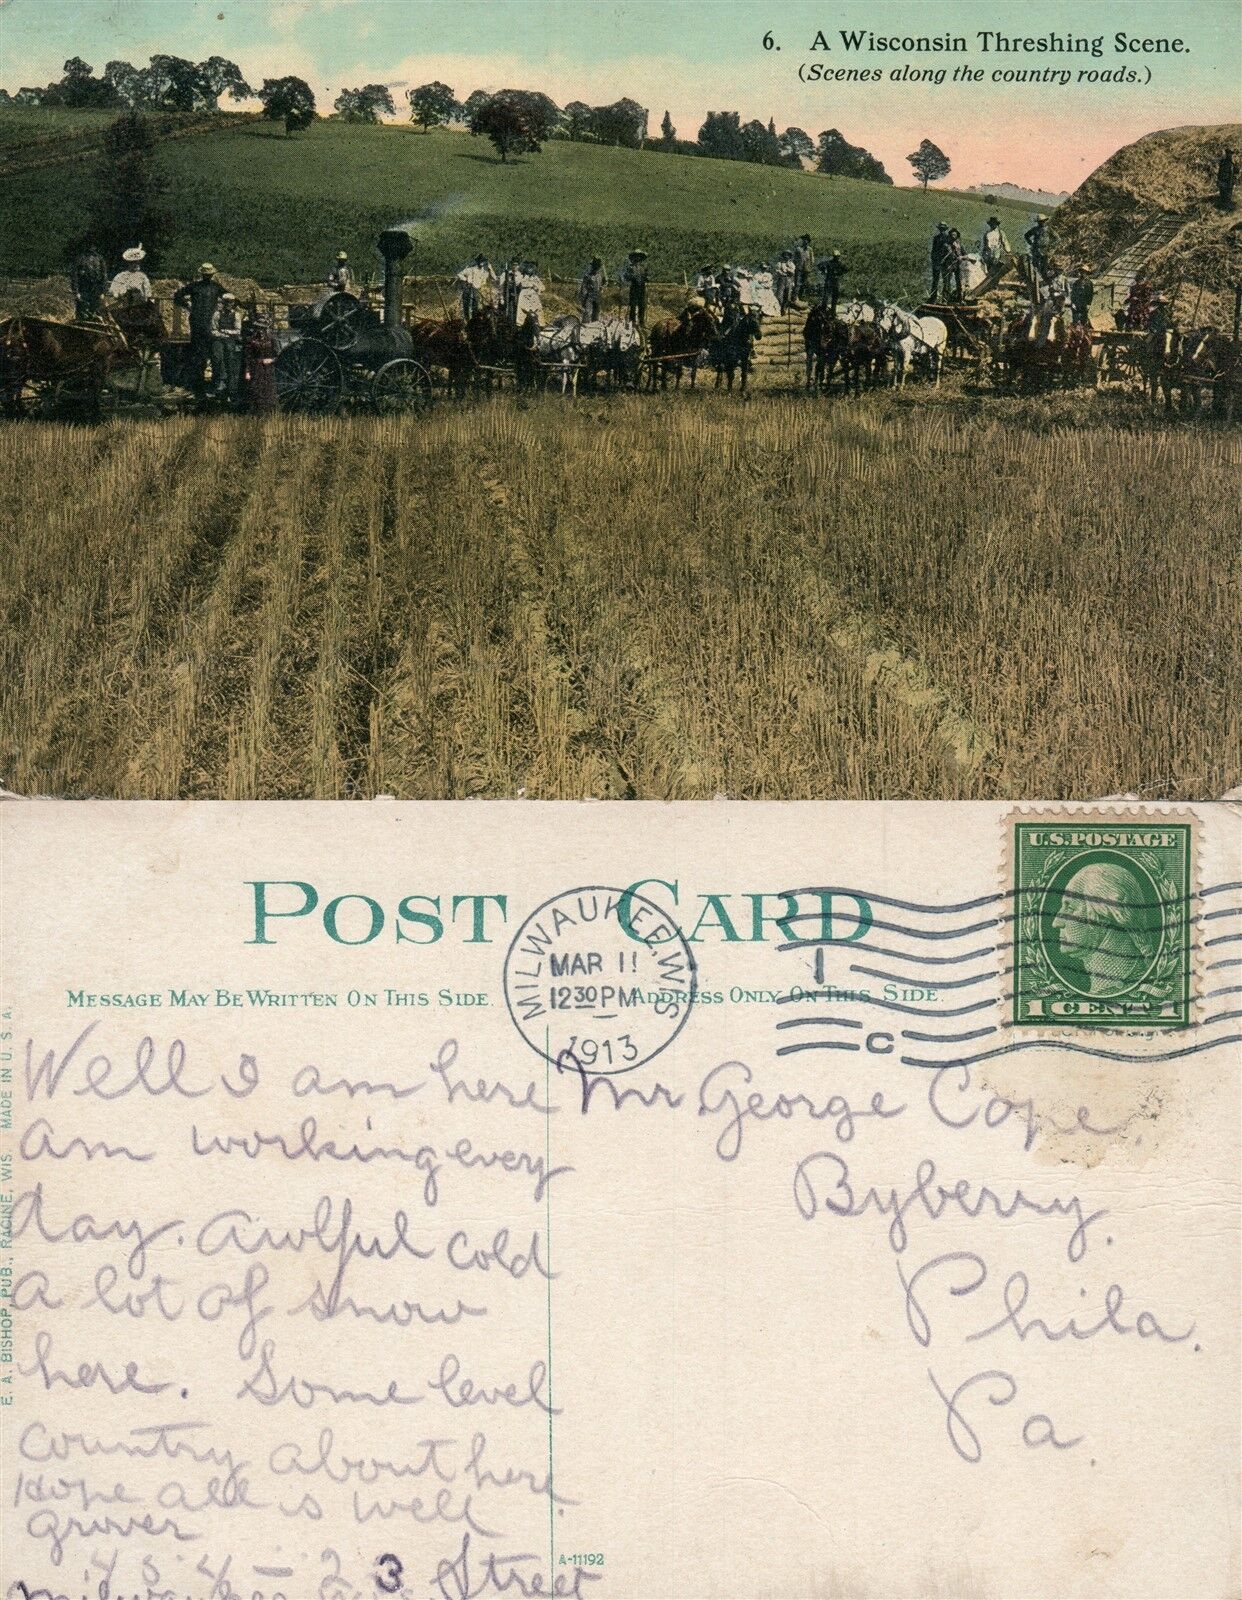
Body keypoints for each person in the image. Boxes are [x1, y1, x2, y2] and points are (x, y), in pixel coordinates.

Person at [174, 262, 225, 403]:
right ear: (209, 274)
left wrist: (187, 305)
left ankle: (199, 387)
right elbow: (229, 296)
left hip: (201, 323)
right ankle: (203, 388)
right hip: (203, 324)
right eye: (207, 274)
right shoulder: (214, 287)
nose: (207, 276)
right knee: (204, 356)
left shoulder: (197, 286)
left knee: (200, 356)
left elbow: (177, 295)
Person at [210, 291, 244, 403]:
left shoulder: (236, 315)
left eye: (231, 303)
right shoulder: (217, 314)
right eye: (227, 302)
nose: (229, 305)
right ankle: (220, 380)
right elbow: (213, 329)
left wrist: (226, 332)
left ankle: (231, 388)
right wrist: (220, 334)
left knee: (230, 356)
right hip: (219, 338)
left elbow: (237, 331)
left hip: (230, 339)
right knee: (217, 355)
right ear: (223, 303)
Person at [243, 309, 278, 414]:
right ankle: (256, 413)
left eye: (263, 328)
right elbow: (248, 357)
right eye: (258, 328)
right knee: (256, 390)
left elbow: (277, 355)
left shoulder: (271, 340)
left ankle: (268, 412)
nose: (261, 331)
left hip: (268, 368)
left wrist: (271, 360)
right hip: (256, 367)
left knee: (268, 390)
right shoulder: (252, 341)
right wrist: (247, 372)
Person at [70, 241, 107, 321]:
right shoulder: (80, 258)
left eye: (93, 245)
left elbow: (104, 277)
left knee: (96, 314)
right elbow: (74, 277)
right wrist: (76, 292)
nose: (92, 247)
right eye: (90, 245)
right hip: (83, 289)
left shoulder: (100, 259)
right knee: (82, 315)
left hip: (96, 290)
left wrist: (103, 292)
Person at [456, 254, 496, 322]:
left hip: (477, 290)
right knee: (467, 306)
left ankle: (474, 321)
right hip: (468, 289)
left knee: (475, 306)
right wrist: (466, 279)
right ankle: (467, 321)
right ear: (477, 262)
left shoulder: (484, 272)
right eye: (480, 261)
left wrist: (490, 268)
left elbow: (494, 278)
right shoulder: (471, 269)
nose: (482, 263)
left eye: (483, 261)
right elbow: (459, 274)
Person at [622, 249, 649, 327]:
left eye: (639, 256)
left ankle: (641, 322)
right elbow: (626, 276)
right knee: (633, 305)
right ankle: (632, 321)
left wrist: (646, 277)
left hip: (642, 288)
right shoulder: (630, 268)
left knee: (642, 305)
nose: (638, 258)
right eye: (636, 256)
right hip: (634, 289)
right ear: (634, 257)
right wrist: (633, 277)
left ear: (641, 258)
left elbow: (647, 276)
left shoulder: (643, 268)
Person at [817, 250, 846, 315]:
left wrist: (824, 271)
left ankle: (826, 310)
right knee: (832, 297)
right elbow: (846, 269)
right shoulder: (838, 263)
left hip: (830, 280)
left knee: (829, 296)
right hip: (833, 281)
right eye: (837, 256)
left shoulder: (829, 263)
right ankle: (831, 311)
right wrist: (839, 274)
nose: (837, 258)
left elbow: (819, 265)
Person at [578, 256, 607, 321]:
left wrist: (603, 286)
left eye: (599, 266)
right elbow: (584, 287)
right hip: (589, 295)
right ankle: (585, 324)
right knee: (587, 312)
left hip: (597, 295)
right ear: (593, 266)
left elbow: (604, 284)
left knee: (597, 312)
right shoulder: (588, 276)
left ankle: (594, 325)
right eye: (596, 266)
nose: (598, 268)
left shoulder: (600, 275)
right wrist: (583, 298)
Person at [1024, 214, 1051, 283]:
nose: (1042, 223)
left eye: (1043, 221)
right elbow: (1026, 235)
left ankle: (1044, 282)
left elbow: (1057, 238)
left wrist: (1050, 246)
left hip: (1045, 251)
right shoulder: (1035, 229)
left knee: (1044, 268)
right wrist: (1031, 243)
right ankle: (1036, 282)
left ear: (1045, 221)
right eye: (1040, 221)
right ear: (1038, 222)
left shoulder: (1048, 229)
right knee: (1035, 267)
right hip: (1036, 251)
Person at [929, 222, 952, 301]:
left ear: (945, 229)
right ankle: (933, 298)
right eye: (941, 229)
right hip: (937, 261)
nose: (942, 230)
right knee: (935, 280)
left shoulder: (948, 238)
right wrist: (933, 259)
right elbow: (933, 250)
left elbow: (949, 251)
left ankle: (945, 299)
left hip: (945, 262)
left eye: (943, 229)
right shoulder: (936, 238)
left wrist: (944, 260)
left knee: (946, 281)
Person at [944, 230, 966, 302]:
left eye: (955, 235)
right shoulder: (946, 245)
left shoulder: (960, 245)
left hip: (958, 265)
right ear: (950, 236)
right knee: (947, 282)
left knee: (959, 282)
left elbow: (965, 254)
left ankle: (960, 299)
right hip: (949, 265)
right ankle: (945, 300)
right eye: (952, 235)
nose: (953, 236)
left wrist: (961, 257)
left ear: (957, 236)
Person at [793, 234, 814, 303]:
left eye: (807, 241)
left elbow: (812, 259)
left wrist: (810, 267)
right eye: (804, 240)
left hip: (806, 269)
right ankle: (795, 297)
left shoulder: (810, 250)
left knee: (804, 283)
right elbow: (794, 259)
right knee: (797, 283)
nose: (805, 242)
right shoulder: (798, 249)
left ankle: (801, 296)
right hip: (799, 269)